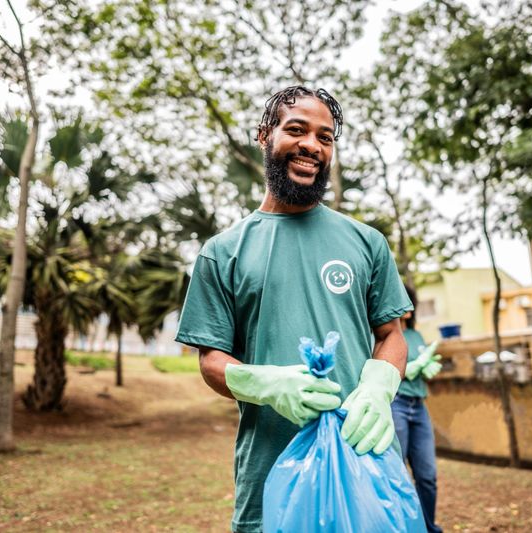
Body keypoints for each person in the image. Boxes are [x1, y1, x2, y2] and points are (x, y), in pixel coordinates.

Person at [175, 86, 413, 533]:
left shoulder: (366, 243)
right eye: (297, 130)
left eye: (325, 138)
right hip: (270, 477)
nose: (312, 146)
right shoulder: (221, 252)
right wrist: (264, 382)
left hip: (365, 470)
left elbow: (391, 335)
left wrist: (379, 386)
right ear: (265, 135)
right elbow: (210, 359)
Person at [391, 285, 443, 533]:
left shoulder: (416, 336)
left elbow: (423, 370)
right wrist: (412, 367)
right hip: (396, 404)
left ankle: (429, 527)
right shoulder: (383, 335)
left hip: (419, 407)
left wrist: (427, 367)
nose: (409, 310)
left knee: (427, 476)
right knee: (399, 473)